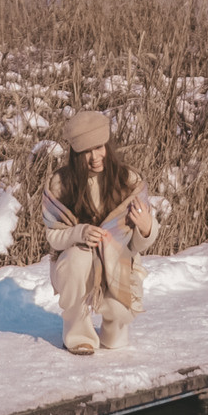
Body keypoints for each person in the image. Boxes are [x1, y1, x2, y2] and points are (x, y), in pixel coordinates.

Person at [44, 108, 156, 355]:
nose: (95, 157)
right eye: (86, 151)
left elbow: (137, 245)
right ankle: (77, 333)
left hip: (118, 259)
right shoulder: (61, 183)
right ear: (75, 154)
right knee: (78, 260)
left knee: (117, 329)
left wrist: (147, 228)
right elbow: (53, 235)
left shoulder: (128, 180)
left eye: (99, 147)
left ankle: (113, 326)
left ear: (108, 145)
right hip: (75, 261)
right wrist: (79, 233)